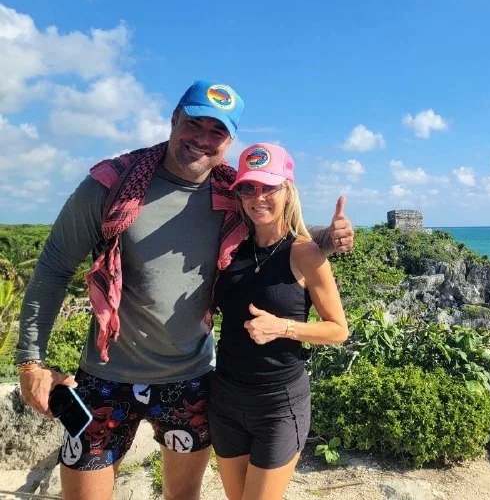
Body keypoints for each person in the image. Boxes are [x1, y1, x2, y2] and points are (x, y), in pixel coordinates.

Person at [14, 80, 354, 500]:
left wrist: (327, 237)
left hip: (191, 380)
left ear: (229, 142)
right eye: (195, 123)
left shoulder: (232, 192)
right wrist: (30, 362)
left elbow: (274, 229)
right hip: (105, 375)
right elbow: (54, 266)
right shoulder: (112, 184)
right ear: (174, 119)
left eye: (217, 131)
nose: (202, 139)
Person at [210, 142, 348, 500]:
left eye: (269, 187)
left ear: (288, 191)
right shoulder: (230, 250)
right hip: (225, 398)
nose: (258, 197)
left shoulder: (305, 252)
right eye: (248, 188)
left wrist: (283, 327)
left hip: (278, 404)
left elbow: (338, 330)